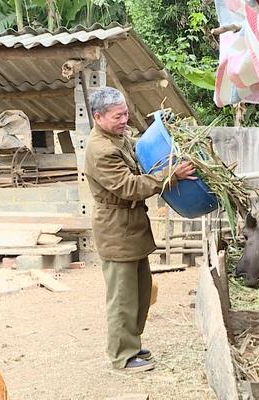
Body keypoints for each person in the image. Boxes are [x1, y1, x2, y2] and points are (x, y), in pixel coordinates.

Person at [84, 87, 196, 373]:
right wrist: (170, 175)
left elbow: (141, 147)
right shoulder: (101, 150)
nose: (124, 120)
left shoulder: (118, 138)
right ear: (98, 117)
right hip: (115, 228)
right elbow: (130, 187)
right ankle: (122, 355)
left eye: (125, 114)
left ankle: (131, 343)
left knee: (141, 291)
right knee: (122, 297)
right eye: (117, 116)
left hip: (131, 227)